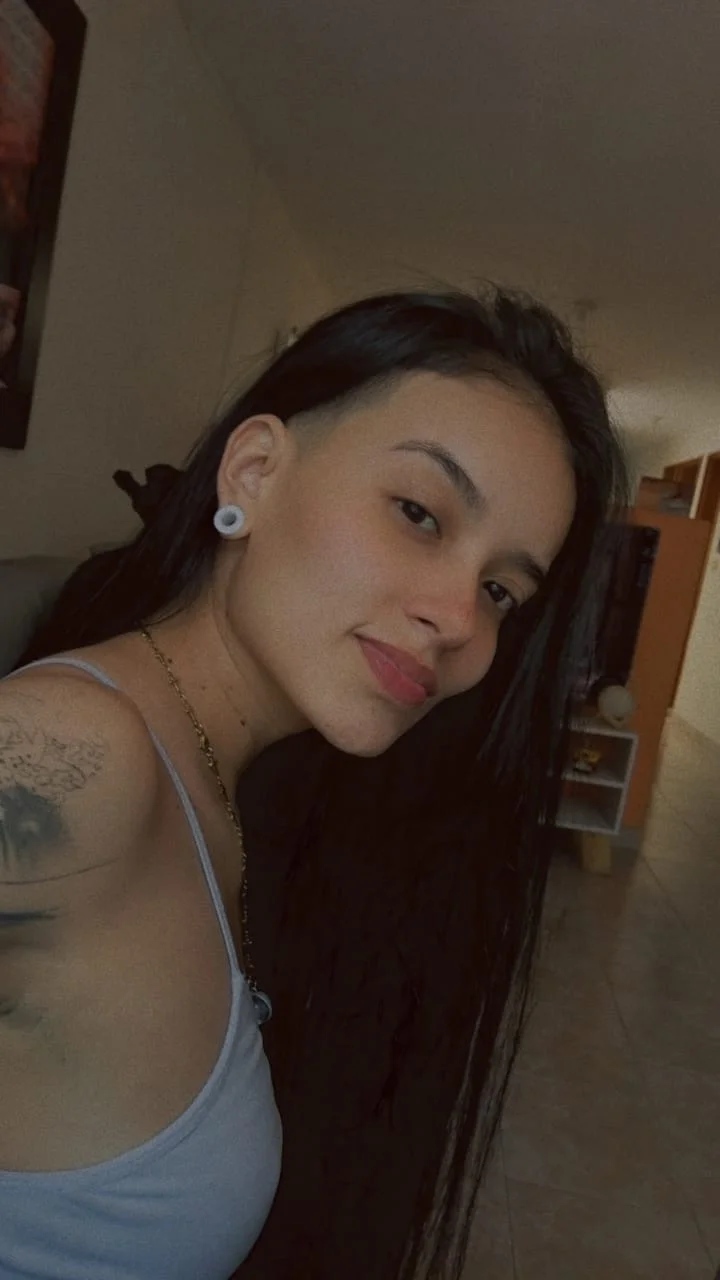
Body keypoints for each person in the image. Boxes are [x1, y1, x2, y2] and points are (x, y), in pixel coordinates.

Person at [0, 287, 626, 1279]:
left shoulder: (226, 790)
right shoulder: (72, 762)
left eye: (501, 589)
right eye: (419, 513)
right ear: (255, 469)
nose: (460, 619)